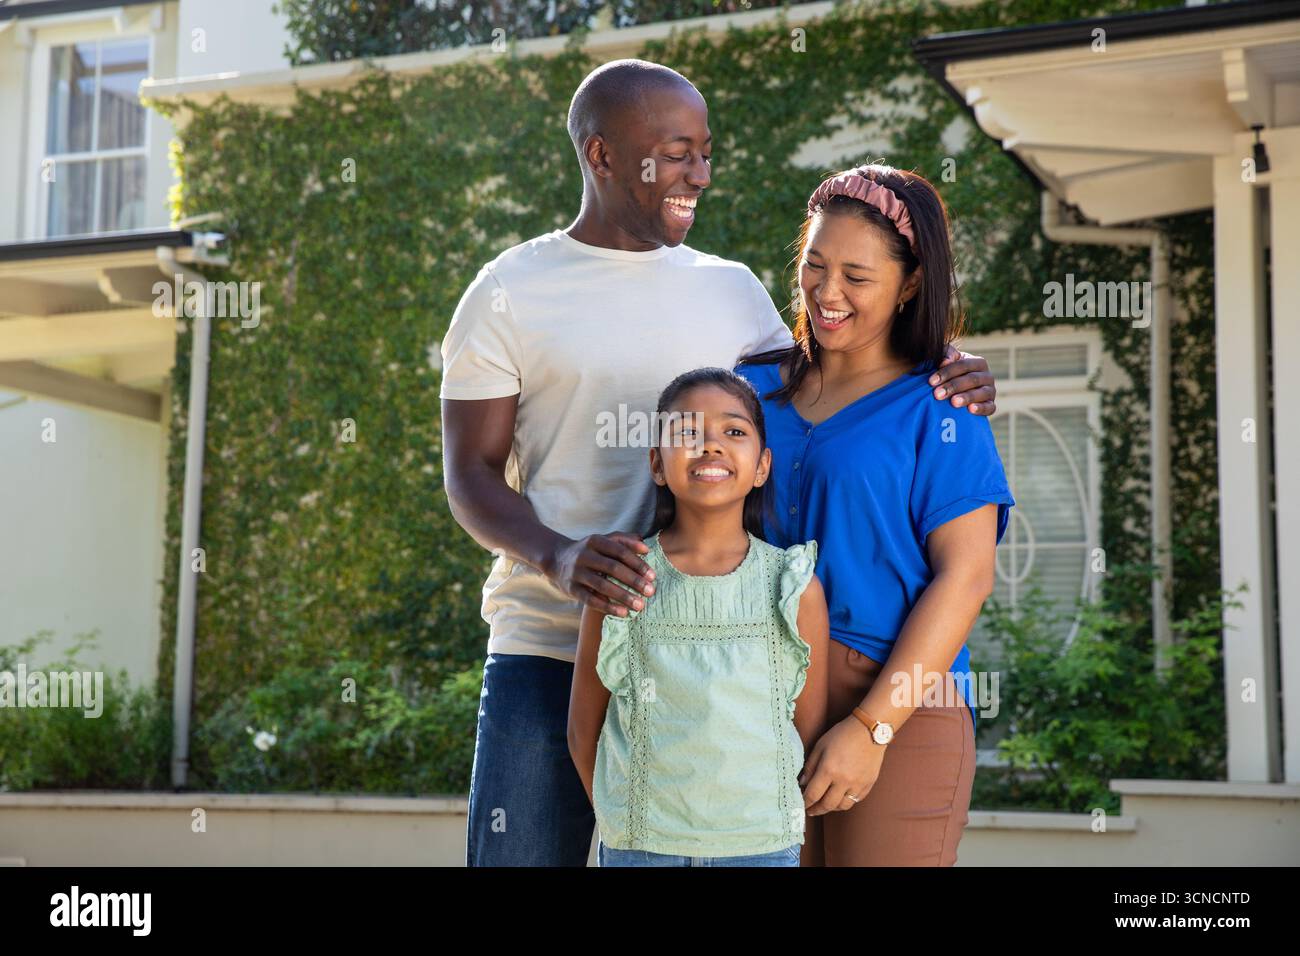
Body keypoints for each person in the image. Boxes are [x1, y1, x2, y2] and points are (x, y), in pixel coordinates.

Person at [440, 59, 998, 867]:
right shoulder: (507, 291)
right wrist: (563, 558)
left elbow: (848, 366)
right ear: (600, 156)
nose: (698, 175)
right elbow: (470, 476)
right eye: (675, 153)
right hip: (549, 642)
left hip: (720, 658)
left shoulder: (732, 292)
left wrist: (945, 359)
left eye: (705, 152)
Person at [735, 163, 1014, 866]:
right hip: (759, 695)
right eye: (815, 266)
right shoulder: (753, 390)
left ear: (910, 283)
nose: (828, 293)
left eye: (857, 277)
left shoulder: (943, 406)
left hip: (900, 700)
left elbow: (967, 577)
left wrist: (871, 728)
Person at [567, 368, 829, 866]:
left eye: (734, 431)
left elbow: (806, 736)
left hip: (763, 849)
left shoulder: (793, 586)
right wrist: (626, 824)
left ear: (762, 466)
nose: (710, 446)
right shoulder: (621, 580)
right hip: (641, 846)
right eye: (687, 433)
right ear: (657, 464)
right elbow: (584, 732)